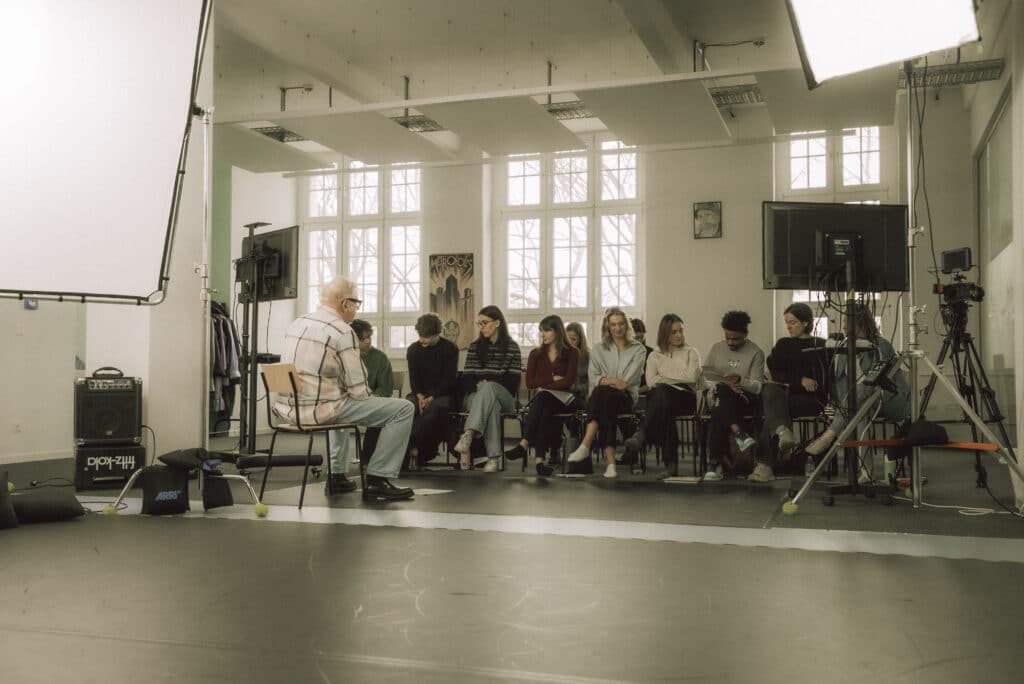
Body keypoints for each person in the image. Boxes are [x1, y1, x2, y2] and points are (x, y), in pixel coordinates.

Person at [277, 277, 414, 501]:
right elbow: (358, 389)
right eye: (357, 303)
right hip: (321, 410)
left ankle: (337, 476)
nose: (357, 309)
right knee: (404, 409)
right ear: (344, 304)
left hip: (289, 410)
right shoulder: (342, 331)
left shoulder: (298, 322)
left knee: (336, 400)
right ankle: (378, 478)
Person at [805, 304, 910, 481]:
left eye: (847, 322)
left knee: (864, 387)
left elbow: (875, 381)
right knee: (860, 412)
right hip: (861, 405)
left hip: (890, 400)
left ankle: (830, 434)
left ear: (861, 323)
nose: (843, 326)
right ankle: (866, 472)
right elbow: (839, 383)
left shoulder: (881, 346)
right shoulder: (845, 349)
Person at [749, 303, 829, 482]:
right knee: (769, 389)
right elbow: (776, 371)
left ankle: (765, 464)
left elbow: (820, 379)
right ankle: (782, 430)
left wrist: (793, 383)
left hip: (811, 399)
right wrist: (800, 380)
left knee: (771, 412)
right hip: (785, 396)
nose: (788, 327)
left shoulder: (821, 345)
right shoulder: (783, 344)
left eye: (792, 322)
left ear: (806, 323)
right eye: (787, 323)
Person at [567, 307, 646, 478]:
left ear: (627, 325)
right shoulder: (598, 349)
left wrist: (605, 380)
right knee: (605, 401)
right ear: (607, 327)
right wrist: (611, 381)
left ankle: (587, 446)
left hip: (626, 399)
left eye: (621, 324)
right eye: (613, 325)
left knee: (603, 393)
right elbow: (592, 378)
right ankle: (610, 465)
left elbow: (624, 382)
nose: (617, 328)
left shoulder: (638, 349)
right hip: (605, 399)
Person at [624, 314, 701, 478]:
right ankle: (670, 465)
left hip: (685, 397)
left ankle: (642, 434)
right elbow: (651, 382)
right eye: (674, 332)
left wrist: (663, 377)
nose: (679, 335)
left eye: (680, 331)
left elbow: (692, 378)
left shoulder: (691, 352)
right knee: (664, 403)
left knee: (661, 393)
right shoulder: (655, 355)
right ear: (664, 333)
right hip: (664, 400)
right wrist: (675, 376)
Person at [504, 315, 580, 476]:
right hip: (545, 398)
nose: (542, 334)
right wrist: (552, 379)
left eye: (547, 331)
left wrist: (544, 384)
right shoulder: (535, 354)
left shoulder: (572, 352)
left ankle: (523, 444)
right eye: (541, 331)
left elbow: (569, 381)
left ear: (557, 331)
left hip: (565, 398)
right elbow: (530, 383)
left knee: (542, 398)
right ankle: (539, 463)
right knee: (544, 410)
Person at [453, 305, 522, 472]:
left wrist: (488, 383)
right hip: (476, 398)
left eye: (485, 322)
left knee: (490, 388)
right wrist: (481, 386)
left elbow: (513, 382)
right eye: (480, 323)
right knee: (492, 407)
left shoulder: (512, 347)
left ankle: (469, 433)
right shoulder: (475, 347)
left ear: (497, 322)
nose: (482, 327)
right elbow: (467, 378)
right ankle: (493, 459)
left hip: (505, 397)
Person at [702, 311, 765, 481]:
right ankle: (739, 433)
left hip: (743, 398)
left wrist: (740, 381)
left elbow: (758, 387)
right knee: (721, 395)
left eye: (735, 339)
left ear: (745, 335)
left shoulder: (756, 352)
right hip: (719, 394)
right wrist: (718, 385)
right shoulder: (716, 348)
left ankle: (715, 464)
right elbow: (706, 376)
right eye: (727, 337)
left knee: (719, 407)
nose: (730, 342)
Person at [405, 313, 459, 468]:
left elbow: (449, 380)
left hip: (444, 395)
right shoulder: (413, 350)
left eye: (426, 337)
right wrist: (420, 396)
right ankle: (420, 451)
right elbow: (414, 379)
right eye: (420, 335)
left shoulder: (450, 349)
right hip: (419, 394)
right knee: (408, 407)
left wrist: (432, 397)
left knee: (433, 409)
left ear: (437, 334)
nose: (422, 340)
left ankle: (412, 447)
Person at [350, 319, 394, 469]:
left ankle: (367, 460)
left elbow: (386, 388)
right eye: (363, 339)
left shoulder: (380, 357)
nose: (368, 341)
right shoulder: (346, 357)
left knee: (380, 414)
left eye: (369, 337)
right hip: (349, 403)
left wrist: (373, 398)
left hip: (371, 401)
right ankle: (337, 468)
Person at [565, 322, 590, 402]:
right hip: (562, 395)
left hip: (580, 397)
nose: (570, 343)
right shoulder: (560, 356)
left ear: (580, 341)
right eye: (567, 339)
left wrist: (574, 387)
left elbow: (592, 384)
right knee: (543, 398)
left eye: (573, 339)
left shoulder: (588, 357)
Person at [631, 318, 655, 390]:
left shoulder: (650, 352)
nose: (639, 341)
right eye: (636, 338)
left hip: (645, 391)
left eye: (641, 337)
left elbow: (653, 380)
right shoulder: (623, 353)